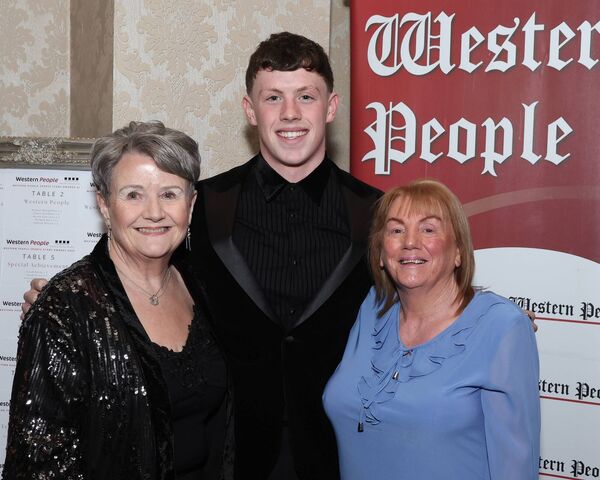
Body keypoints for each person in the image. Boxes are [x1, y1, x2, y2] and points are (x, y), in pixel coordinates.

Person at [5, 121, 233, 480]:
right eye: (133, 194)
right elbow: (38, 465)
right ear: (104, 205)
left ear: (191, 205)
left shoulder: (204, 285)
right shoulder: (64, 310)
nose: (154, 212)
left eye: (170, 194)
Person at [323, 179, 540, 479]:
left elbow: (515, 467)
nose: (410, 241)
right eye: (396, 229)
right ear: (381, 255)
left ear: (459, 252)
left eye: (428, 229)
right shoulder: (371, 309)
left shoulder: (502, 328)